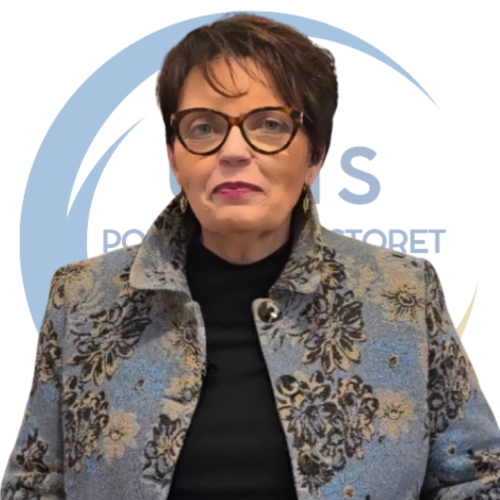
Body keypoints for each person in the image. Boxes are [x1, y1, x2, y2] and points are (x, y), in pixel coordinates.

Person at [2, 12, 500, 500]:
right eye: (203, 127)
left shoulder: (402, 294)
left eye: (269, 124)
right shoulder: (84, 298)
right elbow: (34, 485)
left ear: (315, 155)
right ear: (174, 156)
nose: (234, 151)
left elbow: (479, 477)